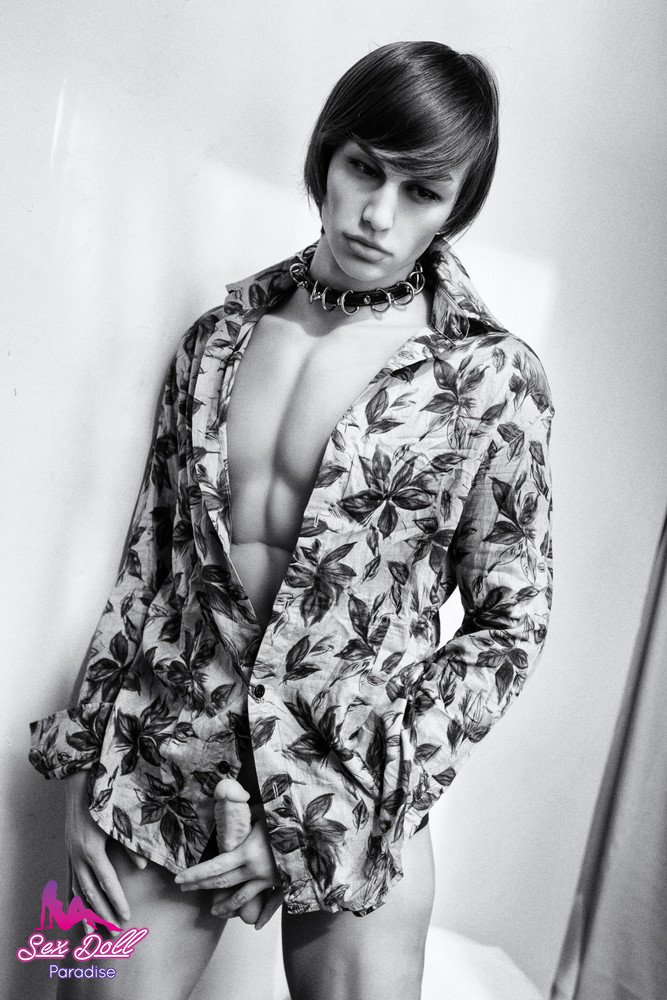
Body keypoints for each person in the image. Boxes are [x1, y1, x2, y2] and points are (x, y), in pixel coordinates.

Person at [29, 39, 555, 1000]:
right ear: (326, 155)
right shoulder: (216, 342)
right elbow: (148, 567)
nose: (377, 214)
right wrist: (83, 769)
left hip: (350, 774)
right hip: (164, 752)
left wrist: (363, 795)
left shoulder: (487, 379)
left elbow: (508, 625)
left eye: (421, 191)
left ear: (456, 206)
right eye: (363, 168)